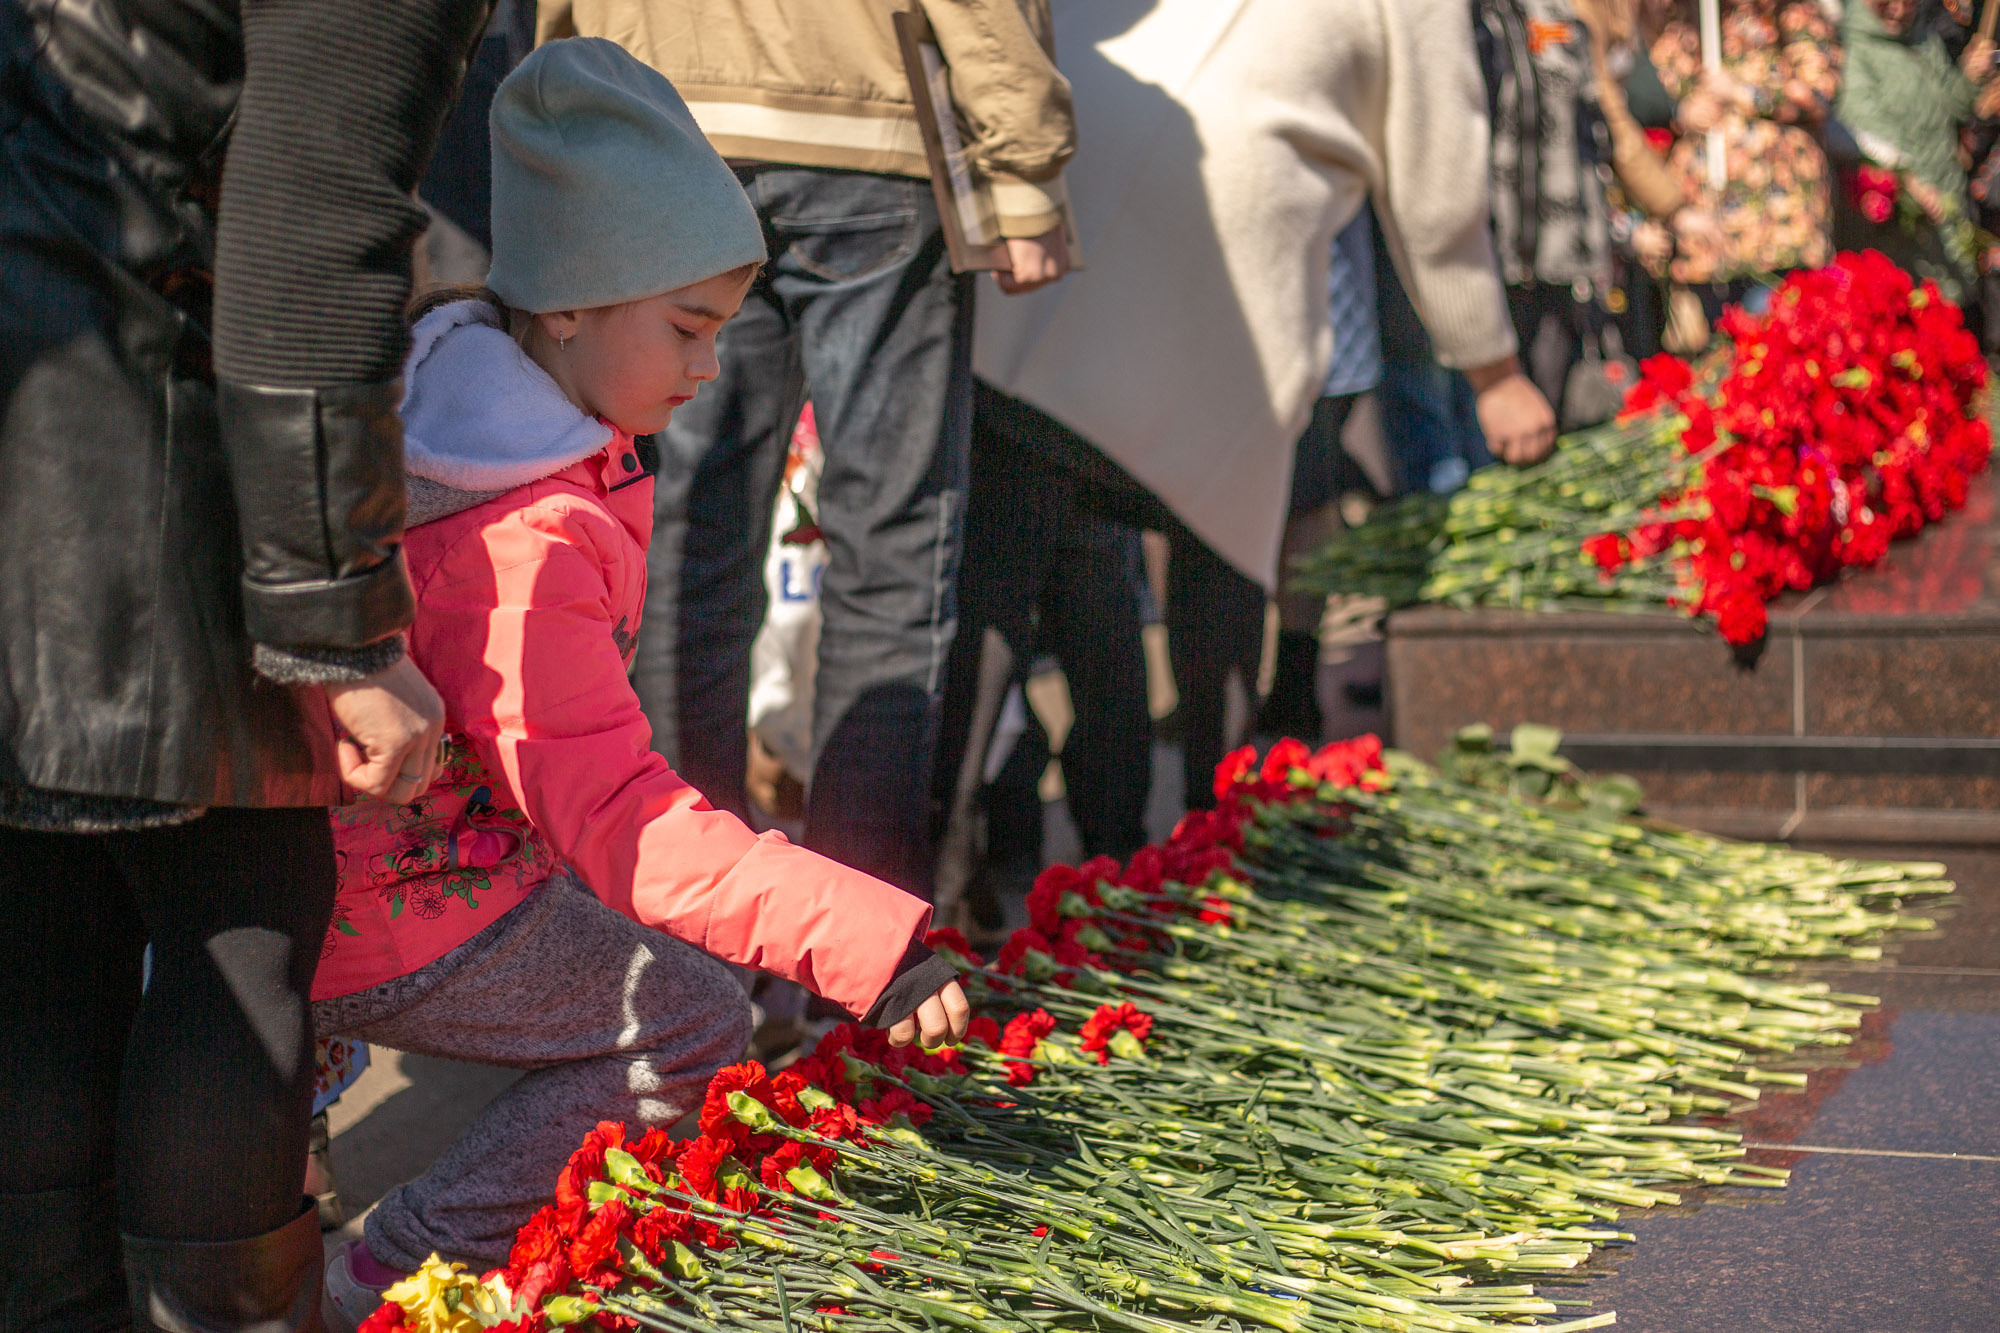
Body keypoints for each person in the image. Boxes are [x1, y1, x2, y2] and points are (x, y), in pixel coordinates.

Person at [301, 43, 970, 1330]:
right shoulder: (526, 535)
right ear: (567, 302)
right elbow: (617, 813)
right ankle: (397, 1270)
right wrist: (866, 944)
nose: (712, 368)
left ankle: (278, 1206)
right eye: (688, 328)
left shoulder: (468, 411)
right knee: (685, 1014)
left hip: (369, 868)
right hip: (406, 899)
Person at [0, 0, 488, 1327]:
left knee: (42, 922)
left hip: (44, 389)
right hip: (137, 436)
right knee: (236, 913)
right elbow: (316, 233)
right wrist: (340, 631)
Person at [544, 0, 1078, 898]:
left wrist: (564, 91)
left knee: (684, 541)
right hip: (865, 123)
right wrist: (1023, 166)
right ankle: (853, 962)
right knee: (890, 553)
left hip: (665, 110)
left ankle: (683, 932)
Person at [973, 0, 1557, 808]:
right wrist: (1494, 372)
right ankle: (1209, 846)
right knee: (1211, 556)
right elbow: (1436, 184)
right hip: (1226, 268)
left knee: (1016, 595)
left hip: (1049, 232)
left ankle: (935, 878)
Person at [1650, 0, 1842, 317]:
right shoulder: (1686, 24)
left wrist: (1743, 92)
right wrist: (1682, 111)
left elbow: (1818, 90)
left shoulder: (1791, 15)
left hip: (1778, 234)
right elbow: (1650, 92)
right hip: (1709, 238)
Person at [1476, 0, 1619, 425]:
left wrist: (1601, 238)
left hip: (1559, 250)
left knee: (1552, 388)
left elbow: (1592, 127)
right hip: (1489, 243)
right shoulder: (1473, 18)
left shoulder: (1560, 17)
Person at [1833, 0, 1996, 304]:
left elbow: (1948, 108)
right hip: (1899, 224)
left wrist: (1969, 79)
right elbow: (1865, 135)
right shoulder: (1855, 52)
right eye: (1885, 3)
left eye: (1908, 1)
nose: (1897, 9)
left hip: (1946, 205)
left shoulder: (1921, 37)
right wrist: (1909, 183)